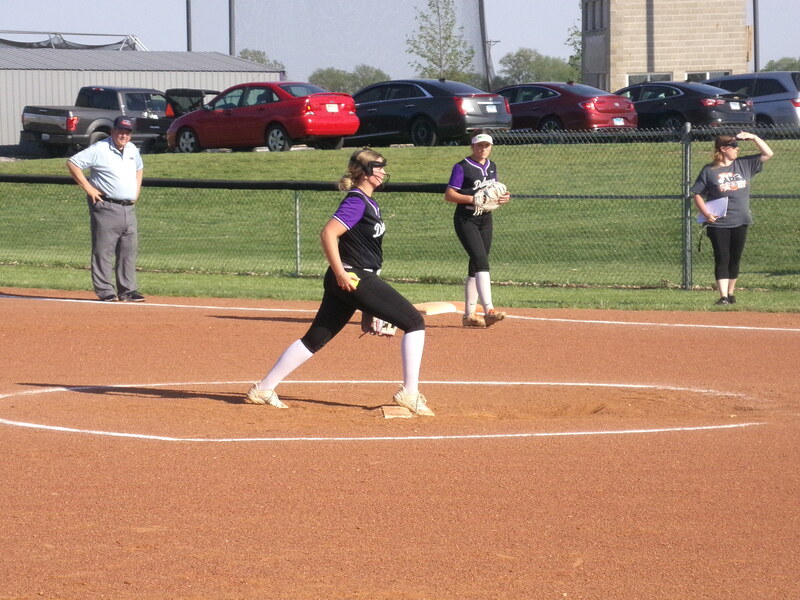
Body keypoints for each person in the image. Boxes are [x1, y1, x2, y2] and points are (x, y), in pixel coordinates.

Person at [245, 148, 433, 416]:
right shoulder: (356, 200)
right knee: (414, 322)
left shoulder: (370, 202)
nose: (383, 171)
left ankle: (264, 388)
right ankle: (410, 393)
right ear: (365, 173)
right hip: (353, 277)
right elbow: (328, 233)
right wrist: (341, 273)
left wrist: (368, 310)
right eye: (378, 167)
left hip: (353, 277)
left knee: (316, 338)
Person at [67, 116, 145, 302]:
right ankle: (105, 291)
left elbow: (139, 168)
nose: (123, 135)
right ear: (113, 131)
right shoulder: (100, 148)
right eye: (120, 131)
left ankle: (127, 290)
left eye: (127, 132)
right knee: (104, 250)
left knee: (128, 250)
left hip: (128, 208)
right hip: (106, 206)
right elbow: (73, 163)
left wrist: (136, 191)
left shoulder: (132, 149)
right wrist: (88, 188)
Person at [691, 132, 773, 305]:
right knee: (722, 257)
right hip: (718, 222)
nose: (737, 149)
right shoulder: (710, 170)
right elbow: (697, 194)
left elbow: (768, 154)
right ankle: (722, 297)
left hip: (741, 219)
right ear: (723, 149)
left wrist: (753, 137)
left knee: (735, 258)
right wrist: (706, 213)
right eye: (734, 146)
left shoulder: (744, 164)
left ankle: (731, 294)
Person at [445, 132, 511, 327]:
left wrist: (504, 197)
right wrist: (472, 199)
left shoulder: (492, 166)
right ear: (472, 147)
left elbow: (495, 190)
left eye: (487, 146)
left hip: (485, 219)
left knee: (476, 264)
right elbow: (449, 195)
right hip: (466, 219)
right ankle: (489, 310)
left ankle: (469, 316)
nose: (483, 149)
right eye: (479, 145)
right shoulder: (462, 167)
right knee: (482, 261)